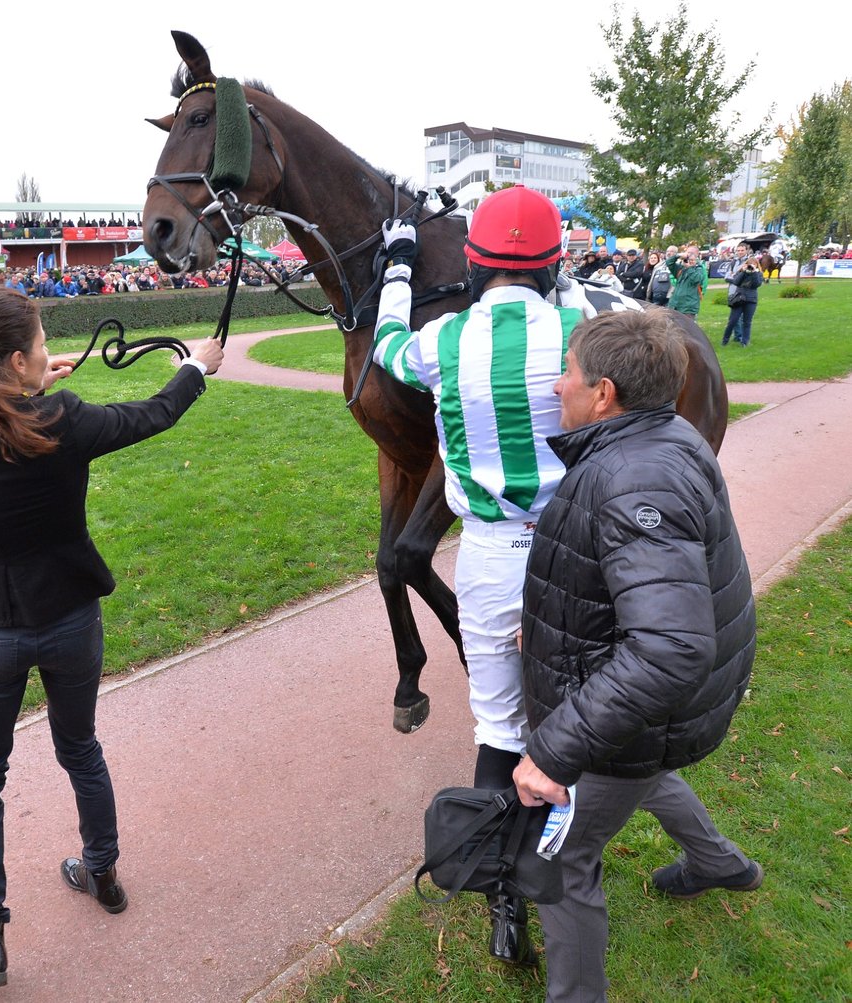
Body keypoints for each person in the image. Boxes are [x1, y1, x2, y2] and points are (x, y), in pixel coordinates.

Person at [0, 287, 224, 993]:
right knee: (79, 746)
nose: (52, 350)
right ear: (18, 359)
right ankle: (104, 871)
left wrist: (26, 387)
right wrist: (197, 366)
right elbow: (153, 413)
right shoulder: (64, 419)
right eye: (42, 342)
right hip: (68, 618)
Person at [513, 308, 761, 1002]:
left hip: (657, 700)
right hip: (664, 706)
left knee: (559, 854)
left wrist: (556, 748)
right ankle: (721, 862)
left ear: (604, 393)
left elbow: (670, 647)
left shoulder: (633, 477)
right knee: (639, 772)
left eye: (568, 371)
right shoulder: (664, 431)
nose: (557, 385)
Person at [373, 185, 583, 967]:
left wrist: (398, 263)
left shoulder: (446, 337)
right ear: (553, 264)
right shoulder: (580, 327)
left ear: (472, 262)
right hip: (573, 551)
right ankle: (566, 871)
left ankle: (503, 905)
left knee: (500, 729)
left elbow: (389, 342)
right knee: (574, 717)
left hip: (490, 557)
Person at [722, 242, 764, 347]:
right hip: (739, 298)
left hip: (751, 300)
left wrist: (753, 272)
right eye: (750, 264)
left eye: (753, 265)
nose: (751, 266)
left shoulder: (758, 274)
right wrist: (744, 271)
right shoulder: (740, 269)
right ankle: (725, 340)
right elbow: (736, 281)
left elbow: (757, 284)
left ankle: (744, 341)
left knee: (747, 322)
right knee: (733, 320)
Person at [665, 244, 708, 317]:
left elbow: (696, 279)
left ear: (697, 255)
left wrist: (689, 268)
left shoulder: (700, 268)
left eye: (691, 253)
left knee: (685, 328)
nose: (688, 255)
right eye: (687, 253)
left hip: (688, 308)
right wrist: (678, 256)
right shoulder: (681, 268)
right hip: (674, 305)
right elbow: (669, 263)